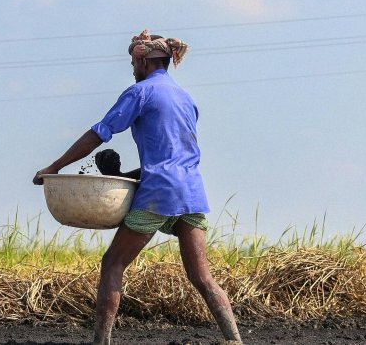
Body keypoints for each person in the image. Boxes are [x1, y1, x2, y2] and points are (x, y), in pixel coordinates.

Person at [33, 30, 242, 345]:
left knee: (113, 263)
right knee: (202, 278)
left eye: (133, 61)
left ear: (144, 61)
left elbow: (99, 133)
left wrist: (54, 167)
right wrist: (127, 174)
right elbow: (174, 157)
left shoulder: (140, 92)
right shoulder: (185, 98)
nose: (132, 68)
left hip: (158, 194)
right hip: (191, 192)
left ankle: (100, 341)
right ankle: (235, 340)